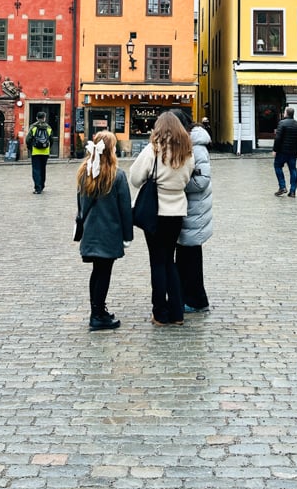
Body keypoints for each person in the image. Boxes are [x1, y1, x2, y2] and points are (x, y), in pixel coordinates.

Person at [130, 110, 194, 326]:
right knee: (170, 261)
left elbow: (136, 178)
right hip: (177, 211)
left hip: (156, 211)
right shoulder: (187, 152)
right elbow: (187, 178)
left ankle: (160, 312)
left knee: (157, 262)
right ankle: (177, 313)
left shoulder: (153, 150)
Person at [76, 131, 133, 331]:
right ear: (111, 150)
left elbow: (80, 205)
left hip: (91, 231)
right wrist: (128, 236)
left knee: (96, 272)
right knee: (104, 273)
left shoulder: (84, 171)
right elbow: (125, 208)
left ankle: (97, 310)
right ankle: (98, 315)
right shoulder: (117, 175)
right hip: (110, 232)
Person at [172, 111, 213, 313]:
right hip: (187, 209)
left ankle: (196, 300)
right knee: (185, 255)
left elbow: (202, 180)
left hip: (194, 209)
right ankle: (188, 296)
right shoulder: (188, 144)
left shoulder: (197, 147)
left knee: (191, 257)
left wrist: (178, 184)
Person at [273, 106, 297, 197]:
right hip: (293, 151)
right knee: (293, 169)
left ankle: (282, 186)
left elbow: (278, 138)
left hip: (282, 151)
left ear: (286, 113)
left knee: (277, 166)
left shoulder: (282, 123)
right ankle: (293, 191)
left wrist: (275, 150)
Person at [27, 112, 52, 194]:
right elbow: (51, 140)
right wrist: (48, 147)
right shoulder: (48, 127)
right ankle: (42, 185)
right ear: (44, 118)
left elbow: (28, 139)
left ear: (37, 118)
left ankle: (38, 188)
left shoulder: (33, 127)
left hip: (35, 151)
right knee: (43, 169)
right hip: (45, 151)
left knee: (36, 170)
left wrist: (30, 148)